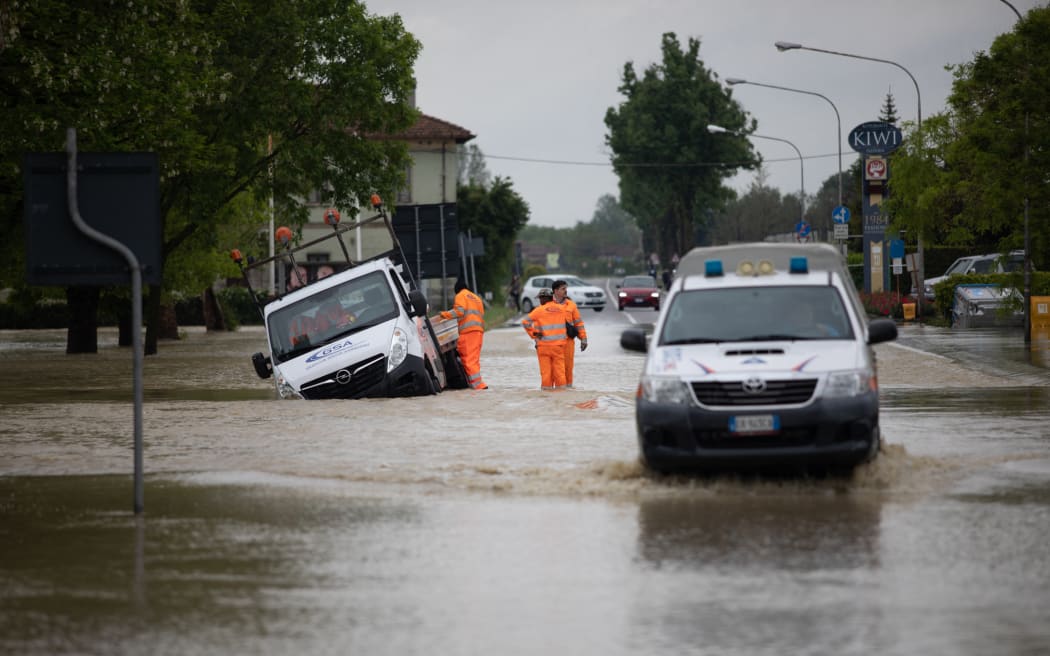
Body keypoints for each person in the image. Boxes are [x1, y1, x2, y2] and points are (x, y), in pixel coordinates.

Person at [440, 279, 488, 390]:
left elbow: (459, 311)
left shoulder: (460, 296)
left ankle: (477, 385)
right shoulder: (476, 298)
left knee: (468, 360)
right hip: (479, 332)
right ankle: (478, 383)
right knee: (474, 359)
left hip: (468, 332)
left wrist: (445, 314)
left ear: (457, 290)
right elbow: (481, 314)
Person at [521, 287, 570, 390]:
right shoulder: (562, 309)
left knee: (546, 373)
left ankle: (546, 394)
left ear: (544, 298)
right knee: (560, 373)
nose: (539, 301)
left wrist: (534, 334)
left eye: (540, 298)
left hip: (543, 347)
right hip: (558, 347)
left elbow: (525, 322)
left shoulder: (538, 310)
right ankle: (562, 394)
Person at [551, 279, 588, 388]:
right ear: (555, 291)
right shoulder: (548, 305)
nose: (565, 291)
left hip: (568, 343)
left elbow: (579, 323)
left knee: (568, 369)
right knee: (555, 371)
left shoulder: (571, 305)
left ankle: (568, 393)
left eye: (566, 289)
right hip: (553, 344)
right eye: (563, 289)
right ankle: (555, 394)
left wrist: (583, 339)